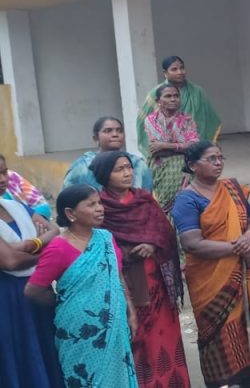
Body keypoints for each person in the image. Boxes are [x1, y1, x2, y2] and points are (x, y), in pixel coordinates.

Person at [170, 141, 250, 388]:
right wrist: (238, 248)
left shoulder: (231, 188)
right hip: (212, 279)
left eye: (220, 158)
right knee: (217, 332)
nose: (218, 163)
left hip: (243, 269)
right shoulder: (187, 200)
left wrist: (248, 237)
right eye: (211, 159)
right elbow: (192, 243)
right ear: (193, 165)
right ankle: (223, 383)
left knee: (247, 324)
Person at [90, 151, 190, 388]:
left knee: (163, 335)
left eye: (128, 167)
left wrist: (152, 245)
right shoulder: (99, 207)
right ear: (105, 175)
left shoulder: (144, 200)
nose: (127, 173)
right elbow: (95, 243)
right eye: (119, 170)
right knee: (134, 336)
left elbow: (165, 232)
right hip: (123, 284)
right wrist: (127, 252)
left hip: (156, 282)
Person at [25, 184, 139, 387]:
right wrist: (66, 302)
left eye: (99, 203)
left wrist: (131, 312)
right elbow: (33, 290)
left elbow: (118, 276)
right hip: (78, 330)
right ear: (71, 213)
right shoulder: (59, 247)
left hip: (115, 323)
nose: (99, 208)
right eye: (91, 204)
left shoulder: (106, 238)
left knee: (117, 376)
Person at [0, 187, 62, 387]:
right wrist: (45, 252)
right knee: (18, 351)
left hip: (37, 289)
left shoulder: (16, 207)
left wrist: (30, 245)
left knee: (44, 346)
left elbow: (54, 231)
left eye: (4, 173)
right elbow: (11, 262)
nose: (2, 179)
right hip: (7, 297)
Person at [136, 55, 221, 153]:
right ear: (165, 73)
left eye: (182, 68)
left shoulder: (197, 92)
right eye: (174, 69)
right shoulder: (155, 93)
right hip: (163, 152)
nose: (180, 72)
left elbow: (209, 118)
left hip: (193, 145)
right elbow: (142, 120)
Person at [143, 84, 200, 210]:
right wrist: (182, 146)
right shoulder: (151, 120)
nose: (173, 99)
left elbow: (195, 145)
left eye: (176, 96)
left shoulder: (187, 119)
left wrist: (165, 145)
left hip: (185, 166)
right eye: (168, 96)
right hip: (161, 167)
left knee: (186, 203)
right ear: (158, 101)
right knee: (164, 204)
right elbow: (157, 150)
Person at [64, 116, 153, 191]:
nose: (115, 134)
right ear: (96, 138)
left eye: (119, 130)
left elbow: (147, 198)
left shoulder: (137, 164)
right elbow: (67, 198)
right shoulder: (82, 166)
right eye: (108, 131)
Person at [1, 155, 52, 220]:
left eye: (4, 172)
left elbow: (44, 207)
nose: (3, 179)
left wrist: (26, 214)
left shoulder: (13, 177)